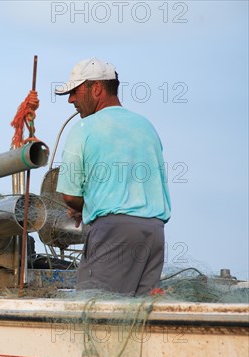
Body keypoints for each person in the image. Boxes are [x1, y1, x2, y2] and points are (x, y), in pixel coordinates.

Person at [54, 57, 171, 296]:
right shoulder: (146, 126)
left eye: (75, 91)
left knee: (96, 312)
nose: (71, 100)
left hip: (113, 234)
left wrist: (82, 206)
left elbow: (70, 196)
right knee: (138, 318)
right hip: (154, 234)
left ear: (96, 88)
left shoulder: (83, 128)